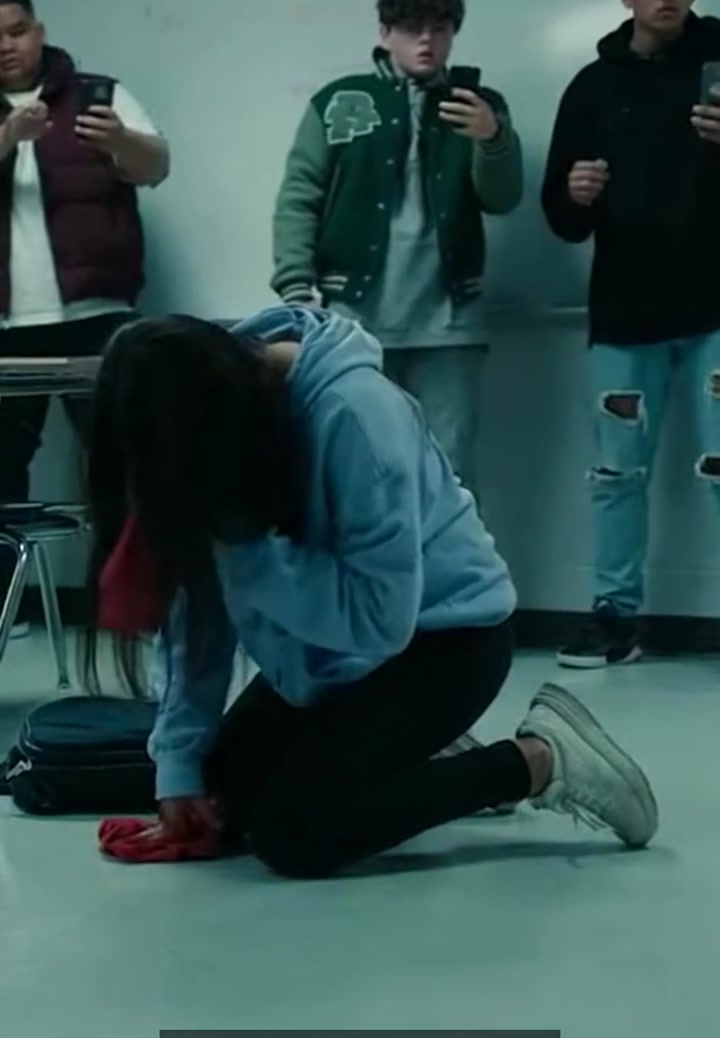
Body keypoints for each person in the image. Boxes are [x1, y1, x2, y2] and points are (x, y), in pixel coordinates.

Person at [82, 306, 657, 879]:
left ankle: (537, 760)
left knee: (295, 835)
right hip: (326, 662)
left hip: (444, 645)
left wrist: (249, 556)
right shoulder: (208, 410)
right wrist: (178, 765)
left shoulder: (357, 417)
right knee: (217, 804)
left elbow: (380, 621)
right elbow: (199, 616)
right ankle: (413, 758)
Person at [271, 0, 523, 507]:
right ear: (385, 33)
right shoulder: (339, 102)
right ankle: (368, 566)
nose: (427, 40)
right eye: (412, 28)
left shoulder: (480, 104)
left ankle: (443, 567)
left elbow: (503, 199)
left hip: (449, 321)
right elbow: (299, 196)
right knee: (354, 469)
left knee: (449, 477)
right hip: (356, 319)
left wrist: (493, 139)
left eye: (440, 28)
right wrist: (296, 289)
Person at [541, 0, 720, 668]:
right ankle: (615, 620)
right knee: (616, 477)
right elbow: (559, 215)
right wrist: (575, 194)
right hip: (625, 315)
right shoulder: (592, 87)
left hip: (716, 312)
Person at [0, 0, 169, 635]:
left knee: (122, 459)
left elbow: (156, 166)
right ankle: (6, 611)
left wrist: (122, 140)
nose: (6, 46)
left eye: (16, 30)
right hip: (6, 327)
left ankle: (134, 605)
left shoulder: (99, 93)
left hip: (98, 315)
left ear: (39, 31)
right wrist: (7, 137)